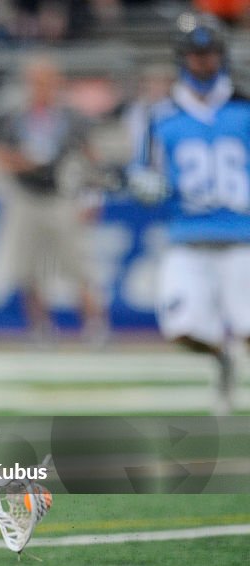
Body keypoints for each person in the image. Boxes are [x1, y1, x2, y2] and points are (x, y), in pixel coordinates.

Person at [129, 13, 250, 414]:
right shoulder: (161, 116)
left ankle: (232, 364)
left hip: (241, 234)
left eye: (210, 54)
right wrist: (143, 184)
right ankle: (223, 359)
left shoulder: (243, 108)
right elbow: (143, 172)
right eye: (196, 55)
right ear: (183, 58)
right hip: (187, 235)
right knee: (183, 330)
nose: (203, 63)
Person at [0, 53, 106, 345]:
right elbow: (0, 156)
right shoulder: (18, 118)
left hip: (61, 196)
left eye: (46, 81)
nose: (41, 87)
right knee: (28, 268)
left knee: (78, 265)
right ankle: (40, 327)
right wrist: (24, 162)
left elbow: (92, 158)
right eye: (36, 81)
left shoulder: (70, 118)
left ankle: (95, 325)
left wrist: (92, 197)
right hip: (28, 196)